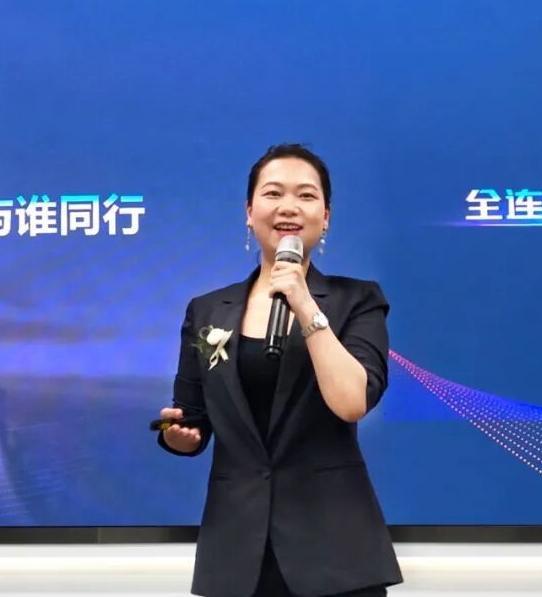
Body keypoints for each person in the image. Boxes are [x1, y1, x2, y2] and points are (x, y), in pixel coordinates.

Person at [158, 144, 403, 597]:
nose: (289, 207)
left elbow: (352, 402)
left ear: (325, 217)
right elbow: (191, 418)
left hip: (336, 551)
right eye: (273, 193)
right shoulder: (207, 310)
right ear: (249, 212)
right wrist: (178, 435)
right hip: (236, 553)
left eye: (306, 195)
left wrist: (304, 303)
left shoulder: (358, 300)